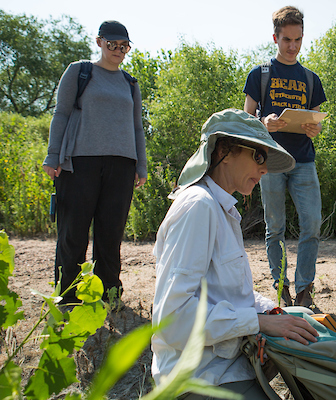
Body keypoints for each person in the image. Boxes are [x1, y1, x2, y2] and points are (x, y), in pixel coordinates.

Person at [151, 109, 319, 399]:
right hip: (200, 374)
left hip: (227, 362)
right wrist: (259, 322)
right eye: (258, 156)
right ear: (225, 151)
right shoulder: (198, 207)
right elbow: (172, 319)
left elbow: (230, 293)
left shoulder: (223, 208)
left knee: (304, 317)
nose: (264, 169)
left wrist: (274, 311)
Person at [42, 20, 146, 304]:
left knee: (110, 236)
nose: (118, 50)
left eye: (124, 46)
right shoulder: (80, 72)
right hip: (79, 162)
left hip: (122, 165)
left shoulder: (130, 83)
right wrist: (53, 156)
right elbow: (61, 113)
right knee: (73, 234)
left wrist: (141, 166)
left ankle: (109, 294)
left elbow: (137, 127)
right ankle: (68, 296)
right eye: (112, 44)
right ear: (100, 42)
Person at [243, 5, 327, 308]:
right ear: (275, 38)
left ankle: (305, 290)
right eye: (287, 40)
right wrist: (263, 123)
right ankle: (282, 288)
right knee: (274, 227)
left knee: (312, 225)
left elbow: (316, 118)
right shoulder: (259, 75)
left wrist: (312, 128)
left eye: (298, 40)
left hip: (304, 161)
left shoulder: (310, 78)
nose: (293, 46)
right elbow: (245, 120)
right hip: (271, 162)